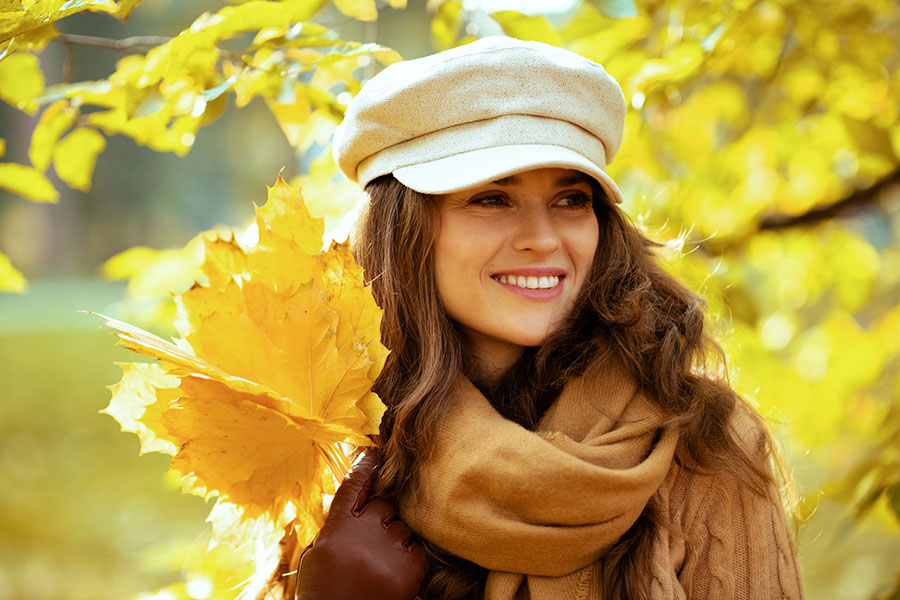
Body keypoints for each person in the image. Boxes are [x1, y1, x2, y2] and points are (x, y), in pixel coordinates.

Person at [295, 36, 804, 600]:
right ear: (404, 231)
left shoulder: (702, 439)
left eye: (571, 200)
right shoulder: (332, 440)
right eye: (492, 198)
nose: (543, 239)